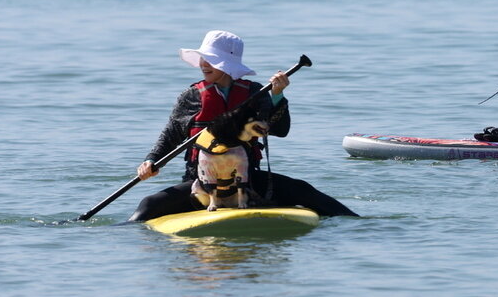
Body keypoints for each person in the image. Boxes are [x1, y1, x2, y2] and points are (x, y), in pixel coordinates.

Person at [128, 30, 358, 221]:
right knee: (149, 205)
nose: (203, 64)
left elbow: (279, 130)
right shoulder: (191, 96)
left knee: (303, 190)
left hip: (248, 180)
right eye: (203, 58)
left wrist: (277, 96)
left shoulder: (254, 93)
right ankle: (124, 233)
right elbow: (171, 135)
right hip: (201, 183)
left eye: (211, 59)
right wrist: (151, 160)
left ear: (227, 64)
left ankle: (358, 224)